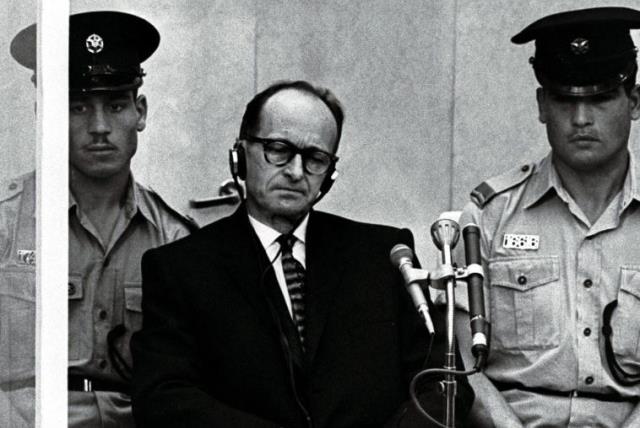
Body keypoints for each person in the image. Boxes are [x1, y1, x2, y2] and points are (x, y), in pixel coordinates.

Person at [131, 80, 474, 427]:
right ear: (240, 154)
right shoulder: (180, 268)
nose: (296, 172)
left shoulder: (384, 254)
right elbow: (163, 398)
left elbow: (445, 384)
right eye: (278, 149)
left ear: (330, 174)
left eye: (314, 158)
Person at [455, 7, 640, 428]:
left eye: (599, 98)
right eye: (564, 98)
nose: (580, 119)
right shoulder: (488, 217)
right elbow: (462, 362)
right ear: (542, 105)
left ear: (634, 102)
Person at [12, 10, 196, 427]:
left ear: (141, 112)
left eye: (115, 105)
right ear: (47, 114)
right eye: (77, 107)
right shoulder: (6, 225)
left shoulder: (175, 239)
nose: (99, 127)